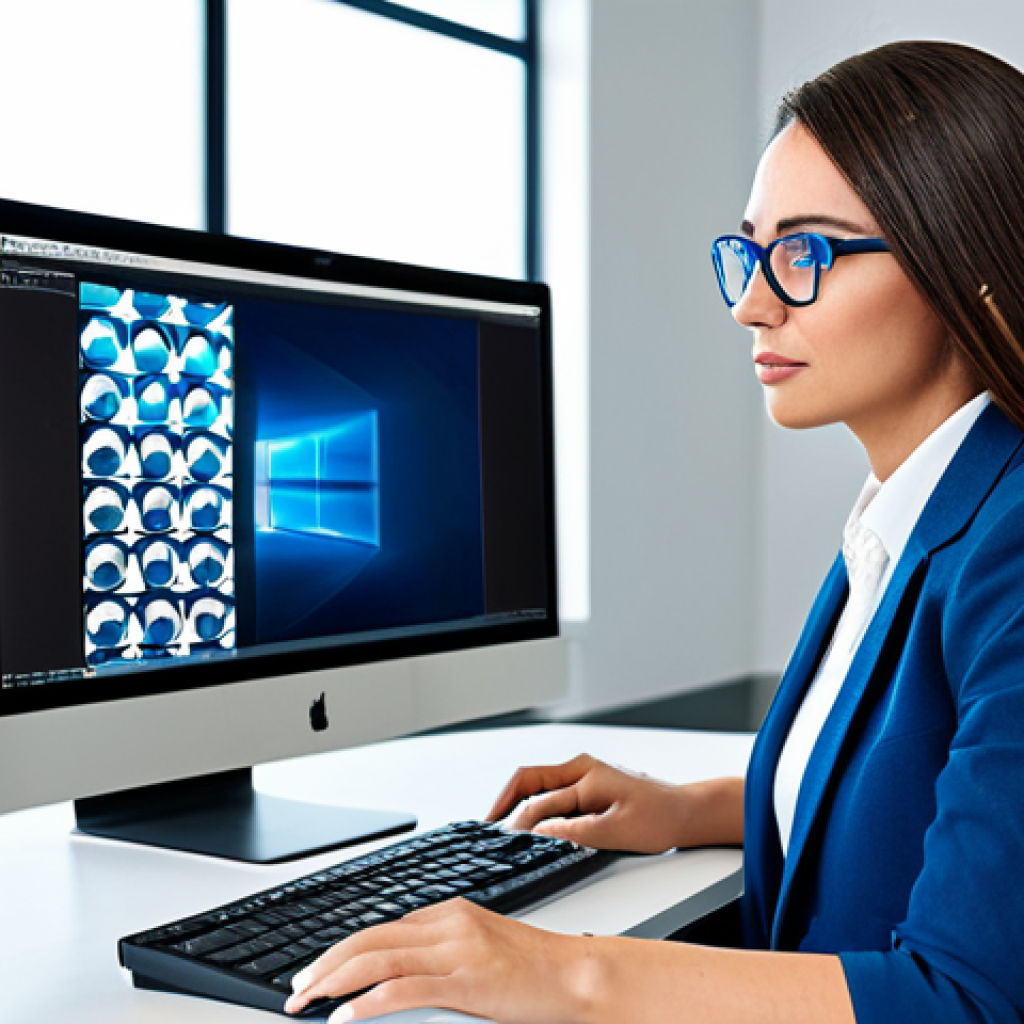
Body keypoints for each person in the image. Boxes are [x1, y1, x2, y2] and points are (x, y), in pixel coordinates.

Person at [285, 40, 1024, 1023]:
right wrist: (688, 806)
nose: (751, 304)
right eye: (750, 252)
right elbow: (923, 783)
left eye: (803, 254)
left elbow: (965, 1000)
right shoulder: (915, 513)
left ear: (958, 261)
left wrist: (568, 970)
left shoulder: (1009, 546)